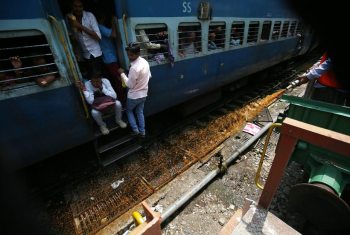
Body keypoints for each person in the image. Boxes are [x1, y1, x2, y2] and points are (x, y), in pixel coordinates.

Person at [76, 71, 127, 135]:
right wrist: (84, 90)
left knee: (118, 103)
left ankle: (119, 120)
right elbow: (90, 101)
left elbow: (114, 96)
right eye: (93, 81)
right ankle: (102, 125)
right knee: (94, 112)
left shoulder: (105, 81)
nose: (95, 83)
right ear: (90, 80)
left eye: (97, 81)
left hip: (109, 105)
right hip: (99, 107)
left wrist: (102, 88)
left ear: (101, 79)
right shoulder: (88, 84)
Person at [117, 42, 151, 137]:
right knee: (140, 112)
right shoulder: (145, 62)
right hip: (144, 94)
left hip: (134, 96)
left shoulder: (134, 68)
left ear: (138, 53)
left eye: (131, 55)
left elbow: (130, 85)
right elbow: (149, 76)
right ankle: (142, 132)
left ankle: (135, 130)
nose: (129, 57)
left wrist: (122, 74)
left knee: (129, 111)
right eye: (128, 54)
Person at [97, 15, 126, 105]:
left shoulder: (98, 27)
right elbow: (113, 34)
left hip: (108, 58)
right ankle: (121, 100)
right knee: (118, 80)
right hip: (110, 59)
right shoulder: (100, 27)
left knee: (114, 80)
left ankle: (117, 99)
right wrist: (113, 23)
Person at [67, 0, 103, 74]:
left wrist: (79, 26)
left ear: (83, 7)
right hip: (84, 55)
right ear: (72, 7)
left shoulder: (90, 16)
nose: (78, 9)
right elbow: (72, 38)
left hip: (95, 54)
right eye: (75, 6)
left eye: (80, 6)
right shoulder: (69, 18)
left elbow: (98, 37)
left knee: (98, 77)